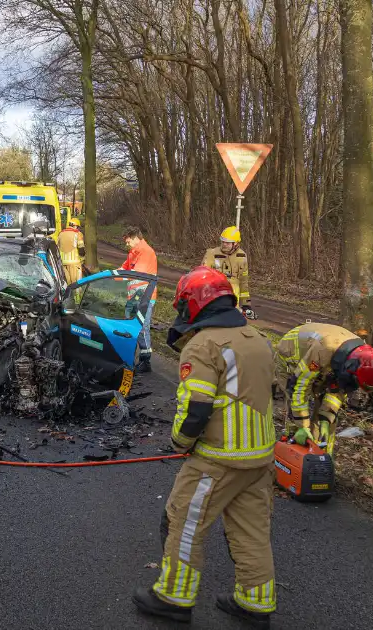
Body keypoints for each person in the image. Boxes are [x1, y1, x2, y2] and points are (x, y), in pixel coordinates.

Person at [132, 266, 277, 627]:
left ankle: (173, 597)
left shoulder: (202, 345)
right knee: (251, 531)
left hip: (218, 457)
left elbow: (196, 407)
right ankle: (256, 602)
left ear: (193, 305)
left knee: (184, 522)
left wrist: (179, 442)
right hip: (260, 457)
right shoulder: (256, 338)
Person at [275, 322, 373, 453]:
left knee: (327, 423)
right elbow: (299, 386)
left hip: (323, 363)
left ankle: (322, 460)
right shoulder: (324, 349)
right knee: (296, 412)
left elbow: (339, 390)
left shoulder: (358, 358)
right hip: (292, 358)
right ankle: (291, 452)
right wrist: (303, 425)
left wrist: (326, 417)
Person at [121, 227, 158, 373]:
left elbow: (137, 274)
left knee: (142, 327)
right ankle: (128, 357)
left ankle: (145, 360)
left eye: (128, 241)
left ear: (135, 238)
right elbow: (124, 269)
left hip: (145, 297)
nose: (127, 244)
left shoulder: (146, 252)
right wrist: (110, 275)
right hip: (135, 296)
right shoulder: (133, 252)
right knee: (130, 326)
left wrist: (121, 275)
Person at [202, 226, 255, 319]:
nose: (224, 244)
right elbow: (202, 276)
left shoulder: (242, 257)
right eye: (223, 241)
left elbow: (244, 282)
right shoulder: (211, 254)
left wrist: (246, 304)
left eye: (227, 242)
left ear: (236, 243)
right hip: (214, 298)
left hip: (233, 302)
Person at [57, 217, 86, 284]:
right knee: (77, 283)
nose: (78, 229)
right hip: (74, 263)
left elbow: (57, 246)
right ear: (75, 226)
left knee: (68, 283)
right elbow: (81, 248)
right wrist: (83, 259)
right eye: (78, 227)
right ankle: (77, 294)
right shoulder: (77, 234)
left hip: (63, 262)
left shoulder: (61, 233)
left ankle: (69, 294)